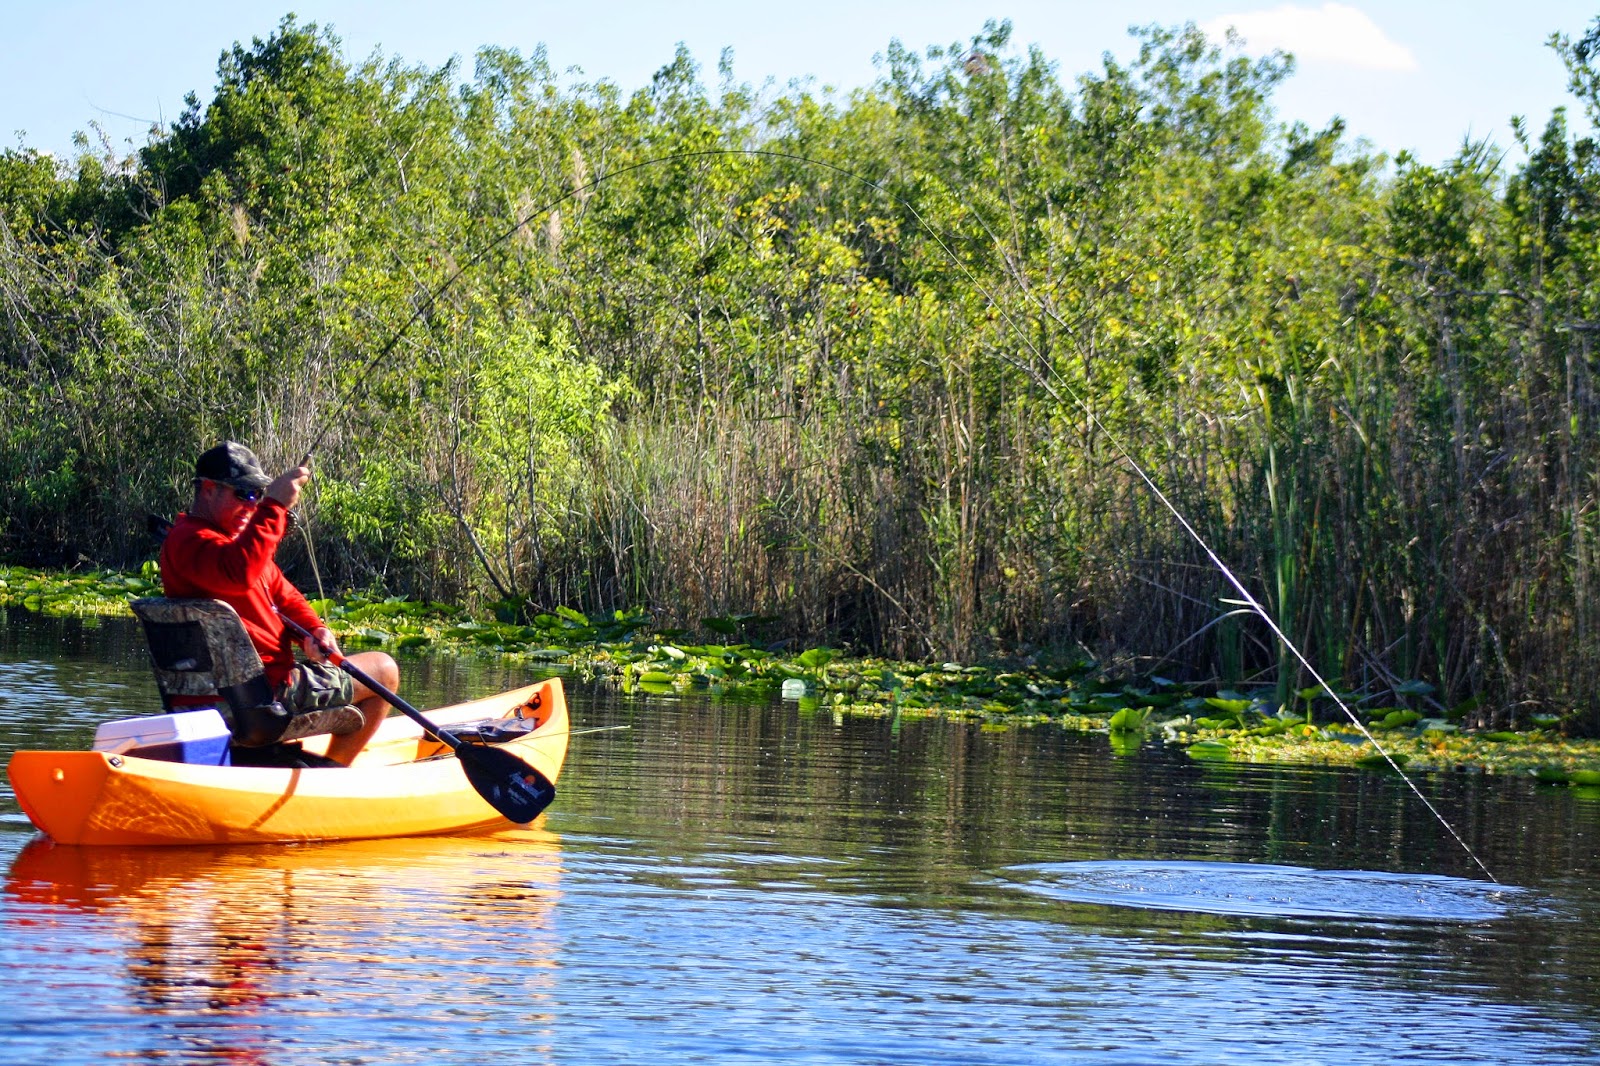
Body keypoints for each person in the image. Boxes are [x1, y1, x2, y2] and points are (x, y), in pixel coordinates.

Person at [159, 441, 398, 766]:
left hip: (238, 694)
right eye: (243, 494)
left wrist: (314, 629)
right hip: (261, 697)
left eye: (257, 495)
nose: (251, 504)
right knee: (384, 670)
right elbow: (238, 573)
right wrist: (274, 506)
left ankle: (307, 771)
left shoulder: (226, 545)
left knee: (361, 668)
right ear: (209, 490)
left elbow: (283, 595)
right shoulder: (190, 541)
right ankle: (334, 775)